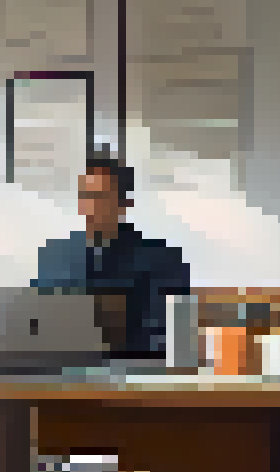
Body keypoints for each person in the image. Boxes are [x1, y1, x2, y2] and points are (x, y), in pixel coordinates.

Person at [32, 153, 191, 359]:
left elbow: (173, 342)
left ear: (125, 203)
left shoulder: (163, 261)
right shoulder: (55, 255)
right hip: (57, 371)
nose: (90, 207)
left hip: (131, 376)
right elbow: (33, 323)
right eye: (85, 196)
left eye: (100, 197)